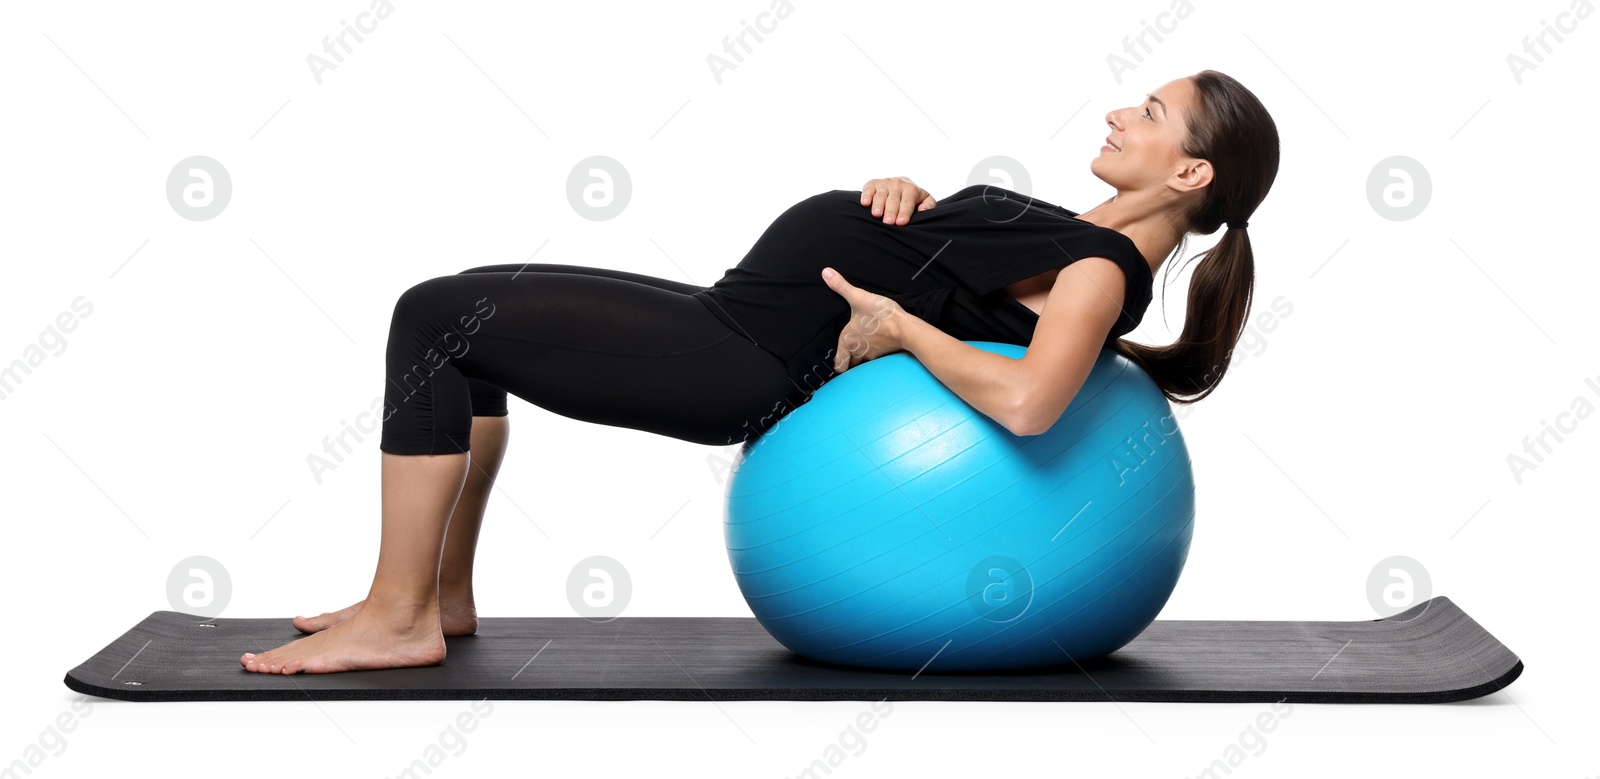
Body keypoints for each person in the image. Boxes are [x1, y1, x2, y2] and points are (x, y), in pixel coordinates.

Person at [240, 70, 1279, 674]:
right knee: (460, 297)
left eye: (1146, 112)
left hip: (734, 355)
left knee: (434, 316)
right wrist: (911, 199)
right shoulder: (1074, 237)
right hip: (725, 315)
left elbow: (1028, 399)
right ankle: (438, 595)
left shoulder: (1101, 271)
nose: (1116, 114)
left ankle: (399, 613)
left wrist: (901, 324)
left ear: (1189, 173)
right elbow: (979, 282)